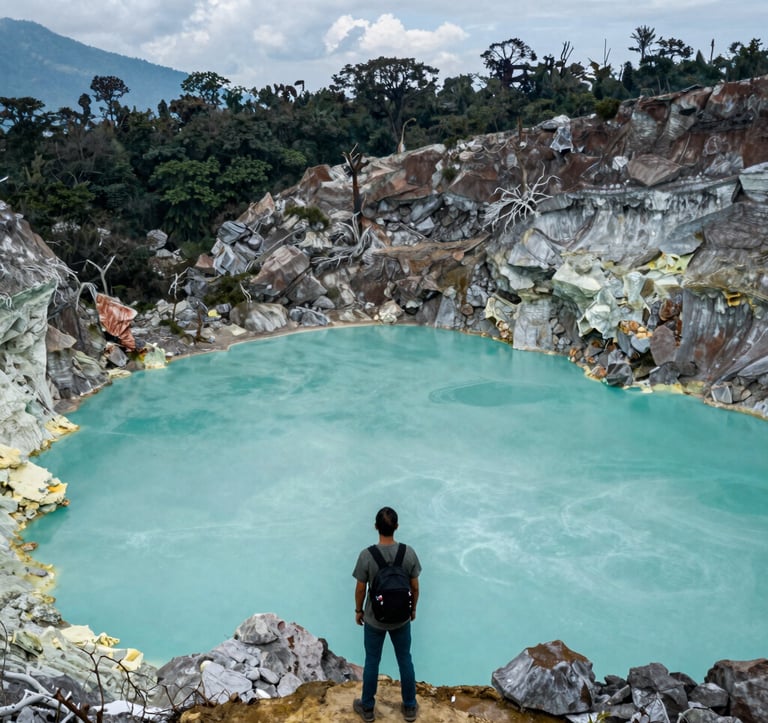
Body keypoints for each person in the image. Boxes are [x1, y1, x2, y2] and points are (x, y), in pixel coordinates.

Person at [353, 506, 422, 722]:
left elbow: (361, 589)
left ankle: (367, 708)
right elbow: (415, 587)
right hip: (401, 618)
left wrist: (359, 610)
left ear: (376, 527)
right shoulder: (408, 553)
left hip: (375, 619)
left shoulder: (367, 555)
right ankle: (410, 707)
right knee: (405, 659)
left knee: (372, 661)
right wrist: (412, 609)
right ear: (397, 527)